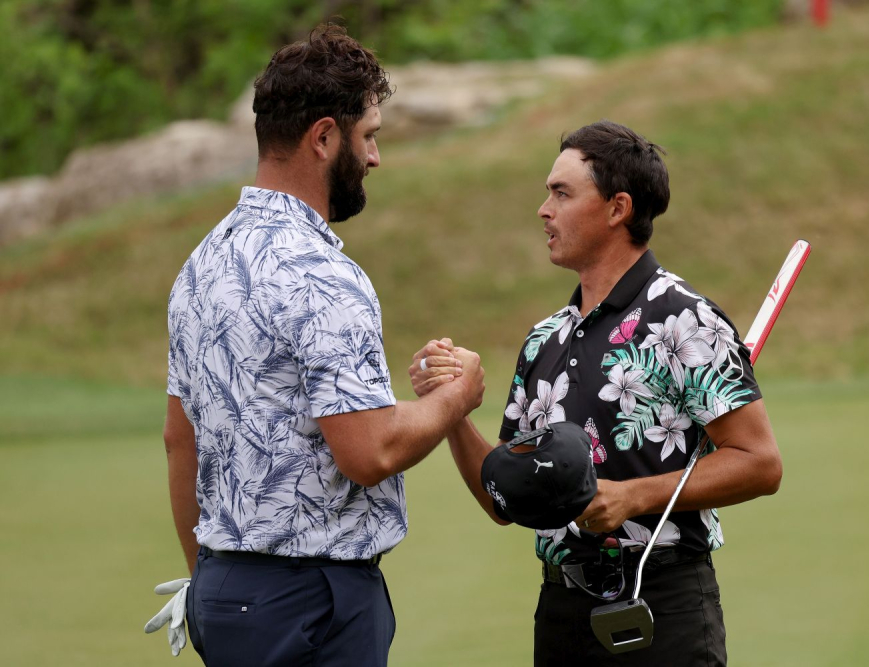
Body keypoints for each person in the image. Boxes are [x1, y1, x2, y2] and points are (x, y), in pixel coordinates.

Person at [157, 23, 484, 667]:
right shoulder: (323, 275)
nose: (374, 158)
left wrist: (213, 584)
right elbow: (368, 451)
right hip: (313, 601)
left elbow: (179, 438)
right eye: (368, 137)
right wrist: (457, 397)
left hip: (223, 590)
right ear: (325, 137)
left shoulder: (200, 264)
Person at [411, 120, 782, 666]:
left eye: (561, 193)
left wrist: (633, 496)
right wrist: (452, 407)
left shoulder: (683, 319)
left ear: (617, 209)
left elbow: (760, 463)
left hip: (663, 606)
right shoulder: (544, 340)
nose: (544, 209)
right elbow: (504, 500)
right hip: (562, 612)